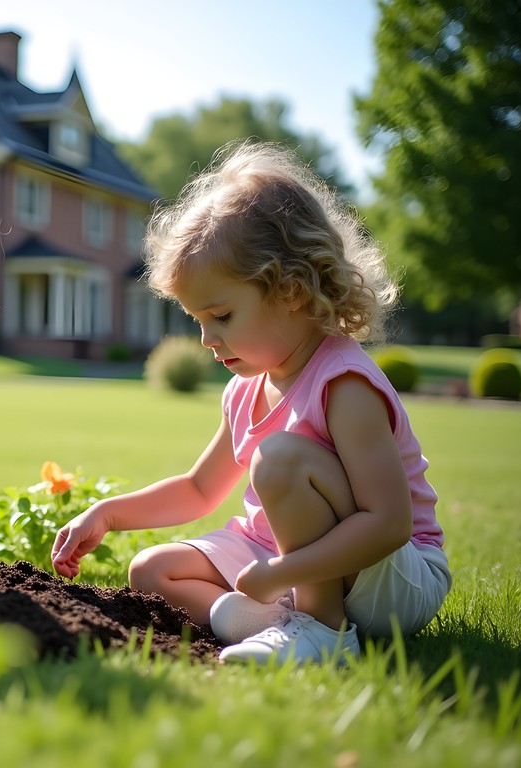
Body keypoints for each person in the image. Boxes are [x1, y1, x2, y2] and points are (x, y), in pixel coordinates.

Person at [52, 141, 451, 664]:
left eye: (221, 316)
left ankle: (323, 632)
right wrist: (107, 514)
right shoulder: (246, 387)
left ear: (292, 291)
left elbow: (389, 522)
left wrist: (282, 572)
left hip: (393, 576)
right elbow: (199, 489)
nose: (206, 339)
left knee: (279, 457)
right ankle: (263, 622)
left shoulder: (344, 383)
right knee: (151, 571)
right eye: (198, 321)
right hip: (289, 557)